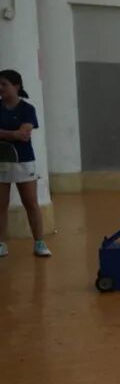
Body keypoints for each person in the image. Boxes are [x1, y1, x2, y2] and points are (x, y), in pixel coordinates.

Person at [0, 69, 51, 258]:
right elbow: (18, 134)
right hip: (1, 161)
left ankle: (39, 242)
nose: (0, 88)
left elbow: (24, 134)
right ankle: (1, 244)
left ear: (16, 86)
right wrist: (13, 134)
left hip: (24, 162)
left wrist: (7, 134)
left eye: (4, 84)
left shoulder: (28, 109)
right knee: (1, 205)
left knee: (31, 203)